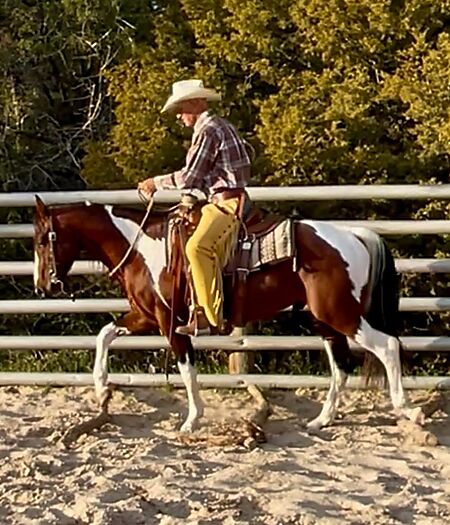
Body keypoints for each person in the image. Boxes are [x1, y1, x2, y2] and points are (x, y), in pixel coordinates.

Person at [138, 79, 251, 336]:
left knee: (197, 247)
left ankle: (209, 317)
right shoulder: (221, 126)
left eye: (181, 108)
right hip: (225, 198)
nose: (178, 115)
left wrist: (155, 183)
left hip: (227, 204)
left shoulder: (208, 131)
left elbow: (190, 177)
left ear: (196, 103)